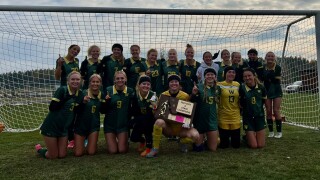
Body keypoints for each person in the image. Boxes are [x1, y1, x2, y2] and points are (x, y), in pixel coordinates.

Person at [146, 74, 202, 158]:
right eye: (172, 82)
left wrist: (186, 121)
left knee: (196, 136)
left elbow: (188, 112)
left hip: (181, 128)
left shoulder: (185, 96)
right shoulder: (163, 95)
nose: (174, 83)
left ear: (179, 84)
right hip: (169, 127)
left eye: (176, 82)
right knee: (159, 122)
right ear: (168, 84)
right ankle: (155, 148)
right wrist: (155, 110)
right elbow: (160, 114)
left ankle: (182, 141)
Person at [35, 71, 82, 159]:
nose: (75, 81)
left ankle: (52, 147)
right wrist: (65, 98)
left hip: (63, 129)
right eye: (73, 79)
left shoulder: (79, 94)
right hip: (51, 127)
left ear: (80, 81)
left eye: (77, 79)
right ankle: (39, 149)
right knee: (53, 156)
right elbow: (52, 108)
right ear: (68, 81)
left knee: (62, 155)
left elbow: (74, 112)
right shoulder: (62, 90)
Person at [103, 71, 134, 154]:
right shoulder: (108, 90)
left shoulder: (130, 91)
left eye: (122, 78)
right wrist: (106, 102)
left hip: (123, 125)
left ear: (126, 79)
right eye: (117, 78)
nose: (120, 80)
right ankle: (115, 140)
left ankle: (124, 140)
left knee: (122, 150)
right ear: (114, 80)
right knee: (112, 151)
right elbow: (102, 110)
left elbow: (133, 109)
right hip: (110, 125)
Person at [73, 74, 104, 156]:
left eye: (97, 82)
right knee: (78, 154)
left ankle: (89, 143)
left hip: (93, 126)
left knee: (91, 152)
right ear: (89, 83)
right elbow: (75, 110)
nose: (95, 84)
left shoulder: (102, 94)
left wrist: (106, 102)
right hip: (81, 126)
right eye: (93, 81)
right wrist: (83, 103)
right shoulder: (82, 93)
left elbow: (104, 111)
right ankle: (40, 149)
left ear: (100, 83)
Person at [191, 68, 219, 151]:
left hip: (212, 119)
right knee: (198, 149)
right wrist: (193, 94)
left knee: (213, 149)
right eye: (208, 75)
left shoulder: (218, 88)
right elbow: (191, 101)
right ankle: (200, 140)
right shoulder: (199, 87)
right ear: (205, 76)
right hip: (200, 120)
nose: (210, 76)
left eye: (212, 75)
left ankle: (208, 140)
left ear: (215, 76)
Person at [240, 68, 267, 149]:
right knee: (254, 146)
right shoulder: (241, 88)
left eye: (249, 76)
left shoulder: (261, 87)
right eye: (245, 76)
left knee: (261, 145)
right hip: (248, 117)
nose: (247, 78)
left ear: (254, 76)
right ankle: (246, 137)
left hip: (259, 116)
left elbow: (265, 102)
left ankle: (253, 135)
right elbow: (240, 104)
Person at [130, 75, 157, 157]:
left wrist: (154, 106)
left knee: (147, 127)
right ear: (139, 85)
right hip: (139, 119)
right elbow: (134, 110)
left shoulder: (153, 95)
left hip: (151, 120)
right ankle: (142, 141)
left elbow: (155, 111)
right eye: (144, 84)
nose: (146, 86)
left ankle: (149, 147)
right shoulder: (135, 95)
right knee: (133, 138)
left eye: (148, 84)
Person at [216, 66, 241, 148]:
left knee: (236, 145)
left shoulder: (237, 85)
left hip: (235, 115)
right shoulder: (219, 85)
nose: (231, 74)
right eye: (229, 72)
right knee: (224, 145)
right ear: (225, 74)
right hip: (224, 115)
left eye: (233, 72)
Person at [263, 52, 283, 138]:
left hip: (276, 90)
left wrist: (268, 77)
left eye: (272, 56)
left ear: (274, 58)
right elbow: (263, 78)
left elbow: (276, 80)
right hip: (267, 90)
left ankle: (279, 132)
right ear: (266, 57)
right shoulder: (263, 67)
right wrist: (269, 77)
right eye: (268, 56)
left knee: (276, 110)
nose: (270, 57)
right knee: (268, 111)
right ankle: (271, 132)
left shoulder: (277, 67)